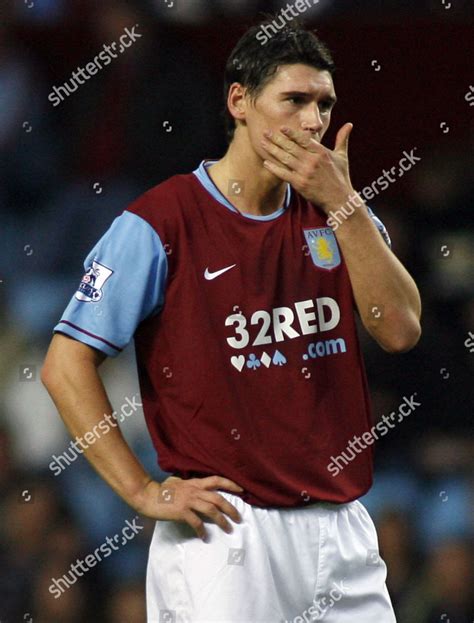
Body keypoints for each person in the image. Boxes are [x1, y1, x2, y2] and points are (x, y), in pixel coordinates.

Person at [41, 16, 421, 622]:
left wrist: (343, 203)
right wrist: (141, 489)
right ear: (239, 101)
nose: (312, 122)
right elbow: (65, 366)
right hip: (226, 535)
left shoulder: (336, 208)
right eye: (294, 100)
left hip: (343, 525)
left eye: (324, 104)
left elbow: (399, 329)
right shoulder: (159, 222)